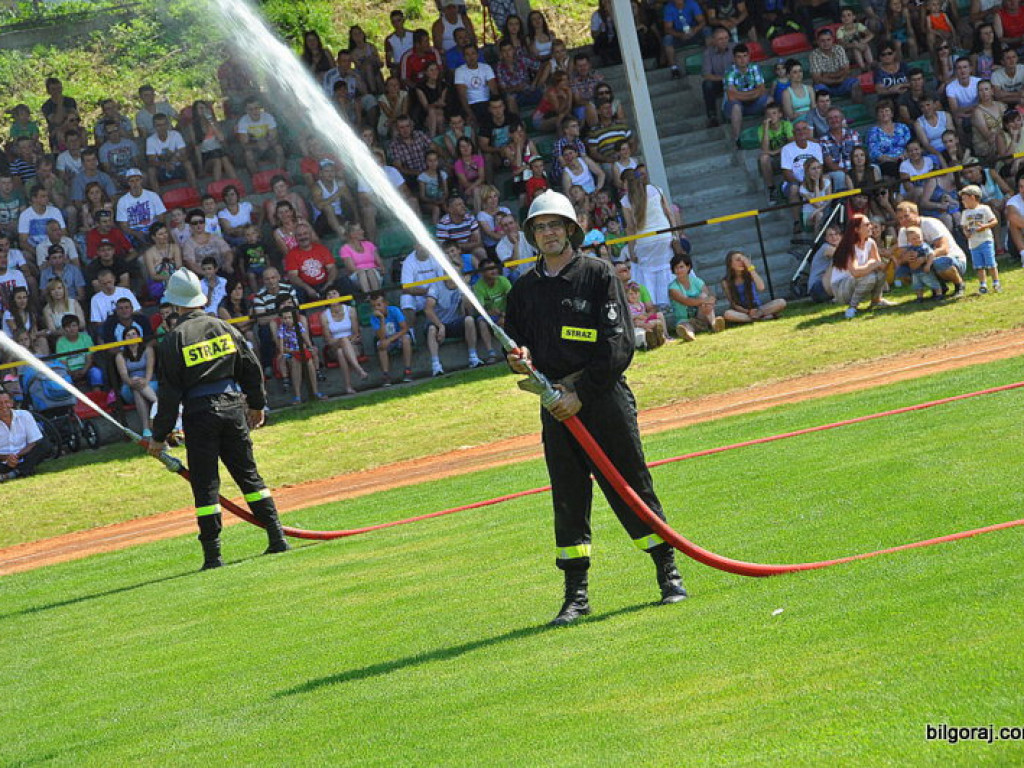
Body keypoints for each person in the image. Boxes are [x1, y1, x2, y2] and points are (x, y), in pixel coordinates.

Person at [504, 190, 688, 626]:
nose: (548, 233)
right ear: (533, 235)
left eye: (555, 225)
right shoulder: (524, 291)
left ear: (570, 229)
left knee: (632, 486)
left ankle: (669, 575)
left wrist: (580, 393)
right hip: (555, 408)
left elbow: (618, 345)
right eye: (540, 227)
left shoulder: (598, 274)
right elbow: (516, 345)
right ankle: (576, 597)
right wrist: (517, 360)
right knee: (568, 498)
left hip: (602, 400)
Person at [147, 269, 291, 569]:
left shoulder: (174, 339)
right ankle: (277, 537)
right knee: (249, 476)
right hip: (233, 407)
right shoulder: (223, 327)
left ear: (174, 304)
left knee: (206, 485)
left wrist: (159, 437)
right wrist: (256, 405)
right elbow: (251, 368)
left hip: (200, 414)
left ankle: (213, 556)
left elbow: (170, 395)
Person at [896, 200, 968, 296]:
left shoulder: (930, 223)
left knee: (939, 263)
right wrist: (907, 258)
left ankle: (959, 284)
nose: (904, 220)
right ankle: (939, 287)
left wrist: (924, 259)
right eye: (900, 218)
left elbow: (944, 249)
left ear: (916, 213)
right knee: (902, 272)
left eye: (906, 216)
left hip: (953, 259)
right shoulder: (903, 231)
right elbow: (901, 257)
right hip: (925, 264)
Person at [831, 213, 892, 318]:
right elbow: (855, 272)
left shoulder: (871, 243)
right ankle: (852, 307)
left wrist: (889, 258)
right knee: (870, 277)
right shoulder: (849, 247)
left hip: (858, 280)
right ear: (857, 229)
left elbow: (880, 267)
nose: (871, 227)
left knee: (880, 274)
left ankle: (876, 300)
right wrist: (871, 264)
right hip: (841, 287)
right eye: (867, 225)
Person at [320, 286, 368, 395]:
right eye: (329, 295)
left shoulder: (350, 310)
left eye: (334, 293)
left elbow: (356, 334)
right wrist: (342, 340)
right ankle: (359, 370)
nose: (332, 296)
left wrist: (346, 341)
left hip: (353, 345)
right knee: (342, 342)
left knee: (341, 352)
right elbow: (328, 340)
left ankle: (348, 387)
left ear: (340, 296)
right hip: (333, 346)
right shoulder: (324, 316)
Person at [720, 251, 788, 323]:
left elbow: (761, 287)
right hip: (743, 312)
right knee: (728, 314)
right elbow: (733, 304)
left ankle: (755, 318)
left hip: (759, 309)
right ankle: (761, 318)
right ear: (730, 264)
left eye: (743, 260)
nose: (742, 262)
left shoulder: (750, 274)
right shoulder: (726, 282)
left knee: (781, 302)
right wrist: (748, 311)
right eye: (738, 260)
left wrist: (750, 267)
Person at [0, 390, 51, 482]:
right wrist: (7, 458)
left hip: (24, 455)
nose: (3, 406)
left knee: (44, 444)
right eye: (0, 403)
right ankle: (23, 470)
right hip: (3, 461)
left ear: (11, 403)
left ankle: (15, 472)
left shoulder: (24, 415)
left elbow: (33, 442)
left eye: (6, 402)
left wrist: (16, 456)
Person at [959, 184, 1001, 293]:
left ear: (973, 197)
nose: (963, 202)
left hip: (985, 240)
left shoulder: (984, 209)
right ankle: (983, 284)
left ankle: (996, 282)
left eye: (964, 199)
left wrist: (985, 226)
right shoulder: (965, 213)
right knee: (979, 266)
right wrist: (966, 233)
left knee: (991, 263)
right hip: (973, 243)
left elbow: (994, 221)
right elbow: (964, 226)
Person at [369, 290, 414, 386]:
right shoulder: (374, 318)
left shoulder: (395, 310)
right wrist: (381, 319)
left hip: (398, 337)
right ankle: (386, 375)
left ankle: (408, 370)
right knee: (381, 346)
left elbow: (404, 328)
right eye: (373, 306)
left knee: (406, 339)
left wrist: (390, 339)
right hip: (385, 339)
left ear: (386, 304)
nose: (376, 308)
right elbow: (380, 336)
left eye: (379, 305)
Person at [902, 225, 944, 300]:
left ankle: (939, 293)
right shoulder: (910, 248)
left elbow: (931, 254)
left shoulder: (924, 247)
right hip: (915, 272)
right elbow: (906, 257)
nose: (917, 240)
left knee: (932, 282)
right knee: (917, 285)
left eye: (919, 237)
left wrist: (928, 265)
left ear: (922, 237)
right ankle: (919, 297)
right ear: (909, 241)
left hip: (924, 270)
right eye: (914, 239)